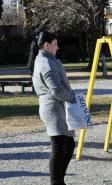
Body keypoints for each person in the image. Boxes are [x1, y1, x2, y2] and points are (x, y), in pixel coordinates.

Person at [29, 31, 76, 185]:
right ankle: (56, 181)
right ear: (46, 45)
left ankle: (59, 180)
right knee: (59, 146)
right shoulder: (45, 62)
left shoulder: (50, 59)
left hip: (59, 107)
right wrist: (72, 99)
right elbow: (56, 89)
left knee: (68, 145)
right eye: (55, 44)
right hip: (52, 108)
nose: (58, 47)